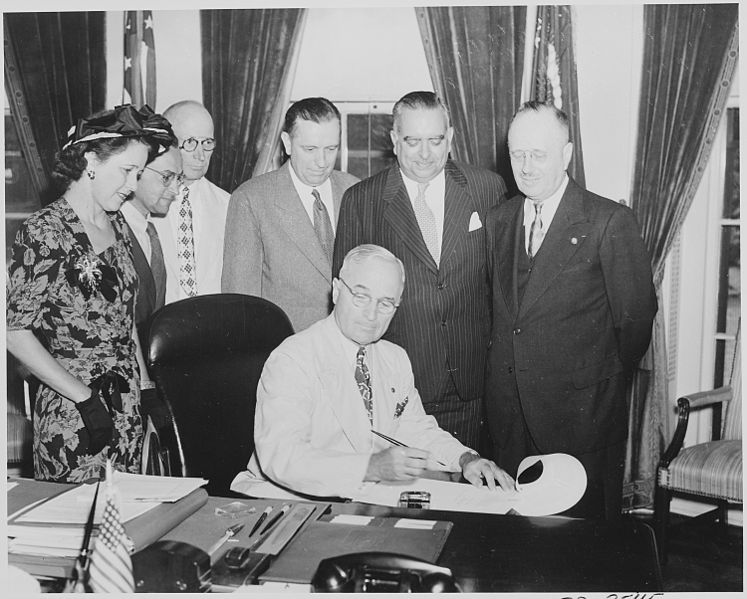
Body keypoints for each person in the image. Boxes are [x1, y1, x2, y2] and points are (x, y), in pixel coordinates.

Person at [484, 101, 657, 520]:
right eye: (517, 154)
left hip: (581, 424)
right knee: (509, 555)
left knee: (578, 557)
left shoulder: (608, 221)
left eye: (538, 154)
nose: (525, 167)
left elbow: (635, 323)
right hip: (508, 422)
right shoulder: (498, 220)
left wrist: (591, 383)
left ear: (566, 154)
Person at [231, 245, 514, 499]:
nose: (371, 315)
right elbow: (282, 457)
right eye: (361, 296)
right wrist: (371, 467)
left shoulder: (394, 358)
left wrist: (465, 459)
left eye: (385, 303)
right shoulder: (293, 358)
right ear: (337, 290)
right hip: (288, 502)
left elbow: (413, 428)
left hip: (362, 499)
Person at [6, 104, 173, 483]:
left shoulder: (117, 225)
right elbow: (14, 333)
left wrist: (145, 388)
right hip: (74, 412)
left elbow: (124, 317)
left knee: (123, 522)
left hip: (126, 402)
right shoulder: (45, 231)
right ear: (90, 161)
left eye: (140, 173)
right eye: (127, 171)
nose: (133, 185)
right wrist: (82, 397)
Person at [333, 91, 507, 450]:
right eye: (413, 141)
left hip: (474, 387)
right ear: (395, 140)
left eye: (436, 140)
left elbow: (502, 288)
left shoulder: (486, 189)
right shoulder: (362, 200)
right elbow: (346, 306)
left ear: (452, 138)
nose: (425, 154)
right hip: (397, 388)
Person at [222, 97, 359, 332]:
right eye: (310, 149)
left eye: (331, 149)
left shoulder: (354, 190)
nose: (322, 162)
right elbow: (241, 302)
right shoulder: (251, 199)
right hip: (286, 350)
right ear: (287, 143)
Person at [152, 101, 229, 304]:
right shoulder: (142, 204)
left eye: (207, 143)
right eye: (190, 142)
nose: (200, 155)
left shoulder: (228, 205)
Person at [121, 124, 181, 349]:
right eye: (167, 177)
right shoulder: (109, 230)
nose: (175, 190)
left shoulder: (151, 231)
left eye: (178, 178)